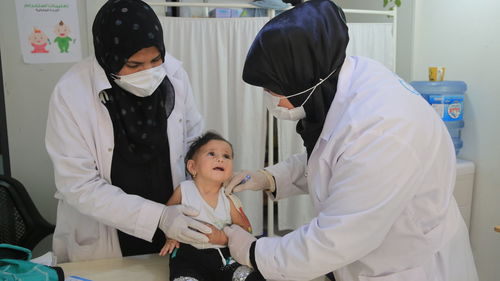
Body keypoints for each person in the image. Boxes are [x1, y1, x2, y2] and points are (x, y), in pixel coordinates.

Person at [222, 0, 479, 280]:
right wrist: (270, 177)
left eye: (273, 89)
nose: (271, 99)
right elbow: (332, 157)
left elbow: (334, 240)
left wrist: (253, 251)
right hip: (371, 251)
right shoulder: (346, 77)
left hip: (407, 267)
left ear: (305, 79)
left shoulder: (384, 131)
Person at [45, 0, 211, 263]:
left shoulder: (174, 76)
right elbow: (77, 184)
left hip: (172, 222)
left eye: (156, 59)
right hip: (107, 231)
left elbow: (193, 140)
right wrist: (157, 216)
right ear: (109, 57)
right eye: (134, 65)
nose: (149, 72)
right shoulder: (71, 93)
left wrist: (211, 175)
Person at [159, 132, 264, 281]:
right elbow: (166, 215)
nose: (220, 159)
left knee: (248, 276)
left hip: (223, 256)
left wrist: (223, 237)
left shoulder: (228, 198)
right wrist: (170, 236)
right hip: (188, 255)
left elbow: (246, 230)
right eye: (211, 154)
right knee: (184, 276)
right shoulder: (184, 190)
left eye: (226, 156)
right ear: (192, 166)